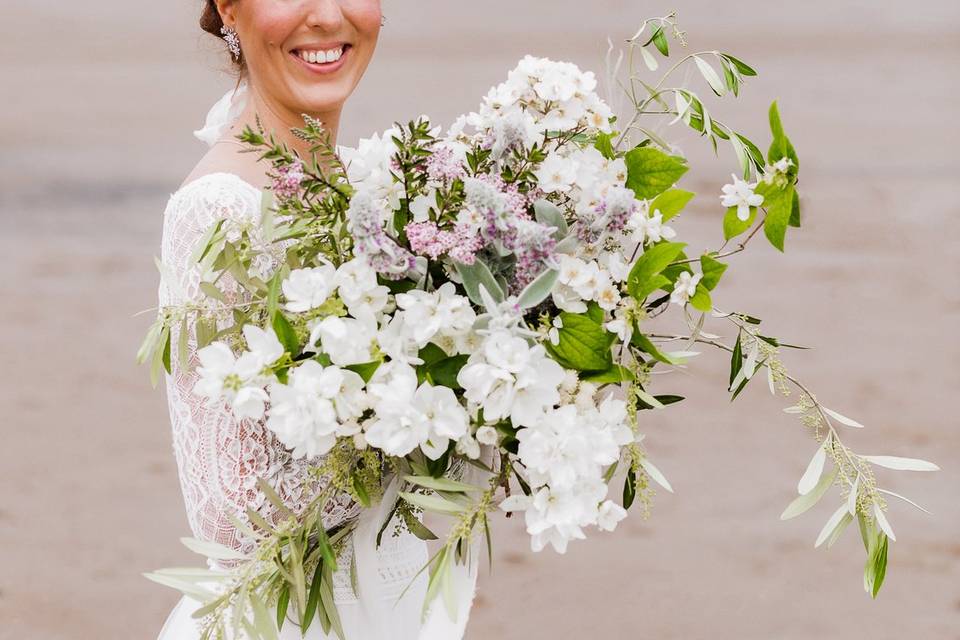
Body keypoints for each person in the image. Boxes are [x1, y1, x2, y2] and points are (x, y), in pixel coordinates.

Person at [155, 2, 455, 638]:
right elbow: (229, 513)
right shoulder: (219, 214)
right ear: (229, 9)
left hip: (393, 605)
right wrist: (434, 416)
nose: (325, 16)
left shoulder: (369, 185)